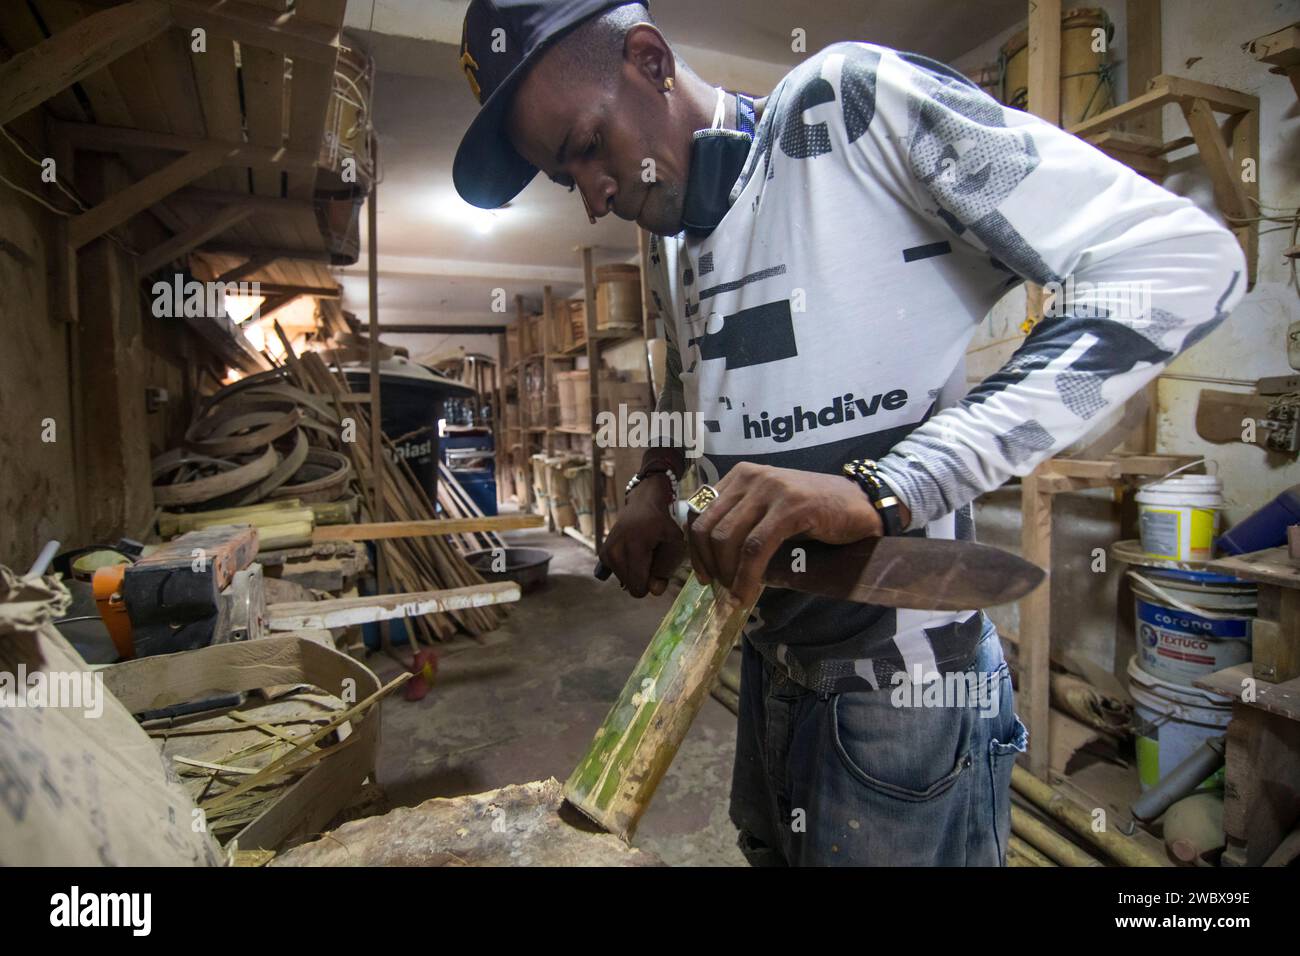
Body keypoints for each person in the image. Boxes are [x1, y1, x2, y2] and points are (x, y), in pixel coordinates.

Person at [452, 0, 1244, 865]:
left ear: (649, 60)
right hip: (762, 652)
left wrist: (886, 487)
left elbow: (1179, 262)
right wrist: (655, 478)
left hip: (905, 692)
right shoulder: (668, 236)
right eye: (568, 181)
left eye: (587, 145)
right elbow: (685, 373)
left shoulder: (846, 108)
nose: (596, 196)